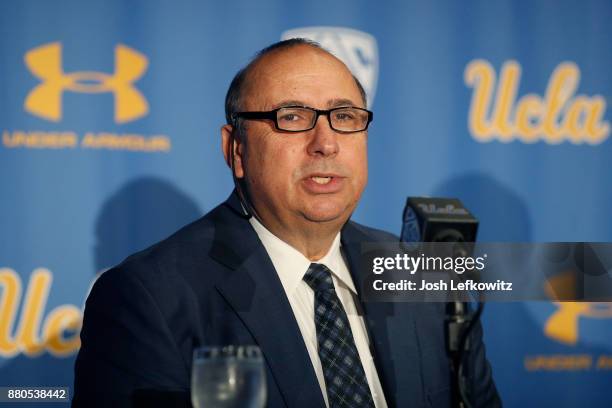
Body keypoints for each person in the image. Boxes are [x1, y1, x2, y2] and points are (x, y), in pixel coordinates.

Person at [73, 39, 501, 407]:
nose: (326, 143)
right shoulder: (148, 299)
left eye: (346, 116)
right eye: (292, 117)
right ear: (235, 149)